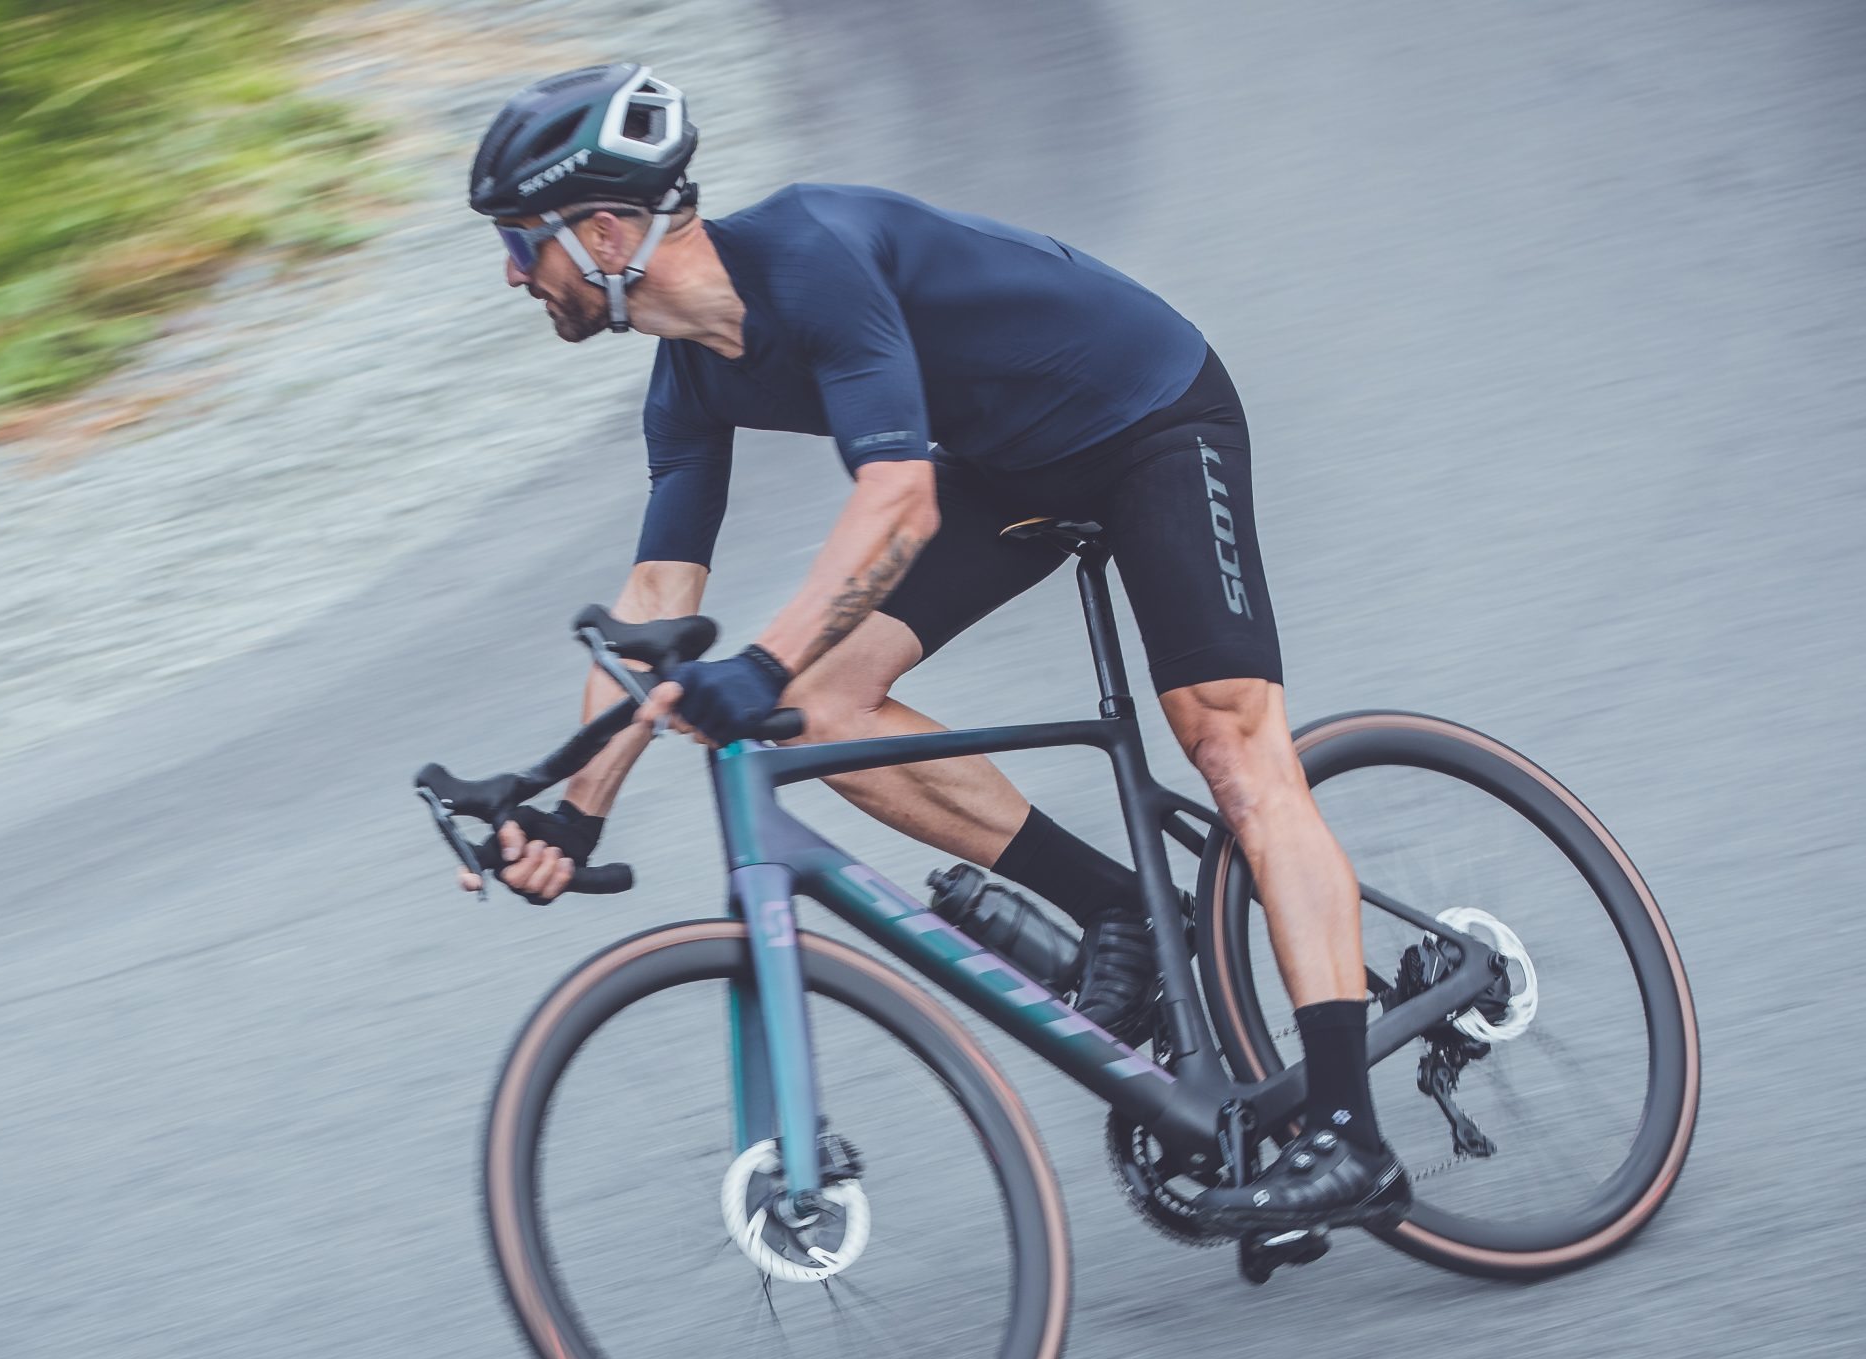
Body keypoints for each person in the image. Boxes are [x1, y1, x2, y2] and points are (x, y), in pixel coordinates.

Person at [456, 63, 1406, 1237]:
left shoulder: (810, 254)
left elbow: (897, 500)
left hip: (1150, 418)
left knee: (1230, 748)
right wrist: (573, 807)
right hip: (1009, 468)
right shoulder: (687, 382)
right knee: (820, 707)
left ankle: (1351, 1138)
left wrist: (758, 662)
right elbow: (654, 597)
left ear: (603, 232)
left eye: (519, 242)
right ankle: (1117, 908)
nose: (512, 273)